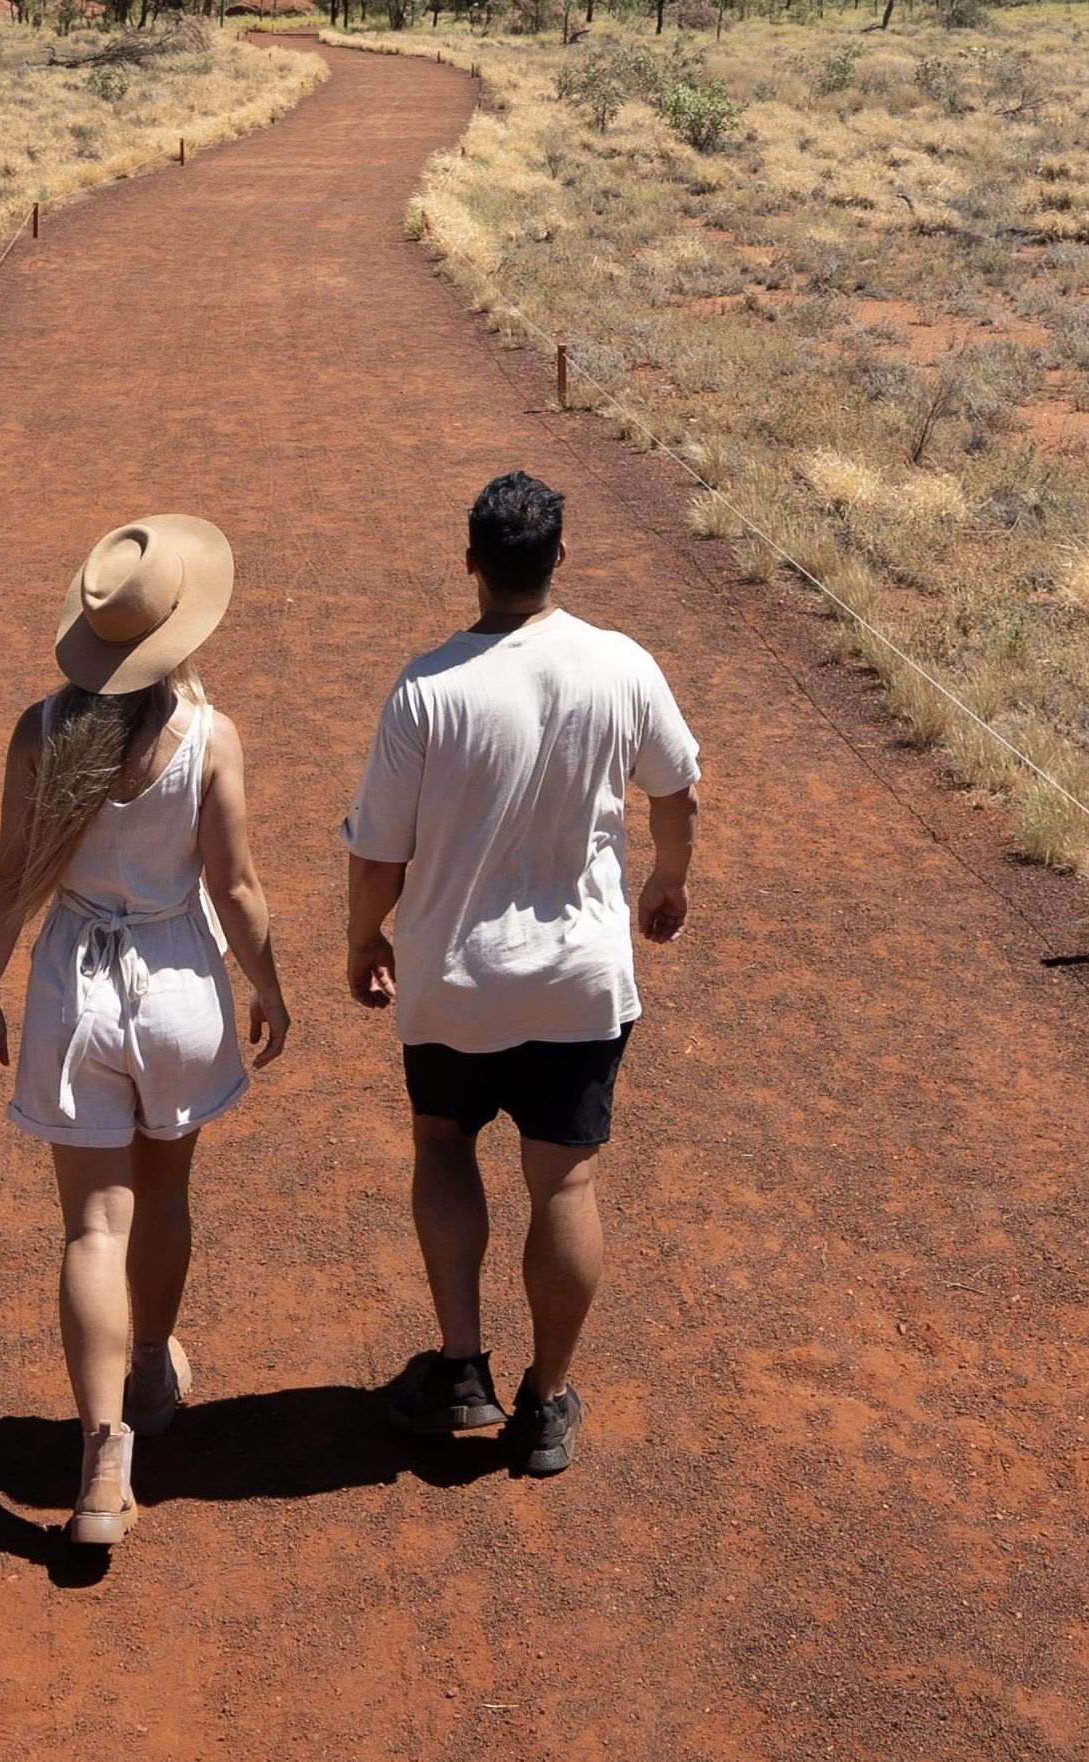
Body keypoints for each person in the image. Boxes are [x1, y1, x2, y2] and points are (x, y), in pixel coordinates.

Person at [341, 470, 700, 1480]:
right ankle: (545, 1400)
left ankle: (461, 1367)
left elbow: (378, 854)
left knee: (443, 1143)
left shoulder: (426, 688)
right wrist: (668, 882)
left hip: (451, 979)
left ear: (472, 561)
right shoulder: (620, 663)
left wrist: (363, 937)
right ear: (558, 560)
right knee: (567, 1176)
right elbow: (678, 789)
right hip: (579, 980)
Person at [0, 513, 291, 1549]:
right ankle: (152, 1366)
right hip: (181, 983)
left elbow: (12, 875)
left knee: (92, 1227)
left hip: (76, 989)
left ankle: (104, 1457)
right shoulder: (210, 736)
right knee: (168, 1192)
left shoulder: (40, 731)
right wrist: (270, 985)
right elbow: (235, 887)